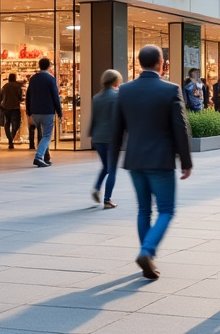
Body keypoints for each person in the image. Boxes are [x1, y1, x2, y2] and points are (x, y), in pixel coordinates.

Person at [110, 46, 193, 280]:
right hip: (161, 160)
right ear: (161, 62)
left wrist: (113, 159)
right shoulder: (169, 89)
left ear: (139, 63)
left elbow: (117, 129)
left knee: (143, 210)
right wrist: (186, 161)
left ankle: (147, 258)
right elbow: (180, 128)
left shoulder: (124, 90)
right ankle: (147, 251)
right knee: (166, 210)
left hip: (135, 159)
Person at [89, 69, 122, 208]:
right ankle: (107, 199)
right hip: (111, 137)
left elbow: (94, 118)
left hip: (98, 137)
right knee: (112, 168)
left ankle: (96, 187)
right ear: (115, 81)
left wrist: (91, 134)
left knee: (106, 166)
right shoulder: (117, 96)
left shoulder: (97, 97)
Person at [27, 57, 63, 168]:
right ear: (49, 66)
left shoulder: (33, 79)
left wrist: (28, 113)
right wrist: (59, 112)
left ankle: (46, 157)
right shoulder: (50, 79)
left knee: (41, 135)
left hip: (35, 111)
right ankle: (39, 156)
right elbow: (55, 96)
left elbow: (28, 96)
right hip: (47, 111)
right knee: (47, 135)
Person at [0, 73, 23, 148]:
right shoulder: (17, 86)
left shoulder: (5, 86)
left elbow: (1, 97)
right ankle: (11, 137)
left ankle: (10, 138)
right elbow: (20, 97)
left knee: (7, 123)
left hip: (6, 107)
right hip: (15, 107)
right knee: (16, 123)